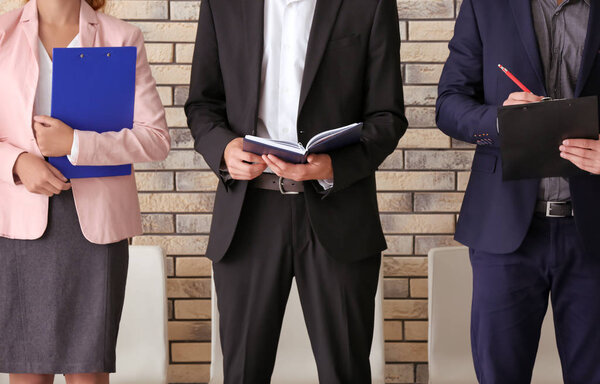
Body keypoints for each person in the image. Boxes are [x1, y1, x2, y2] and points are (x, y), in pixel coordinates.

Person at [185, 0, 407, 382]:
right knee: (241, 373)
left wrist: (335, 166)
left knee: (346, 372)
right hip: (248, 214)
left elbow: (388, 115)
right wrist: (223, 148)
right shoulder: (222, 4)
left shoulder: (370, 5)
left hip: (338, 210)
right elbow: (202, 104)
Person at [0, 0, 171, 382]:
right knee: (28, 372)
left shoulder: (123, 38)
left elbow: (156, 139)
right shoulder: (3, 34)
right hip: (19, 225)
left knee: (89, 373)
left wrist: (76, 143)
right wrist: (15, 162)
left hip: (96, 229)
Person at [437, 0, 600, 382]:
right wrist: (500, 121)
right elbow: (449, 104)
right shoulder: (485, 6)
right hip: (505, 231)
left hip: (593, 234)